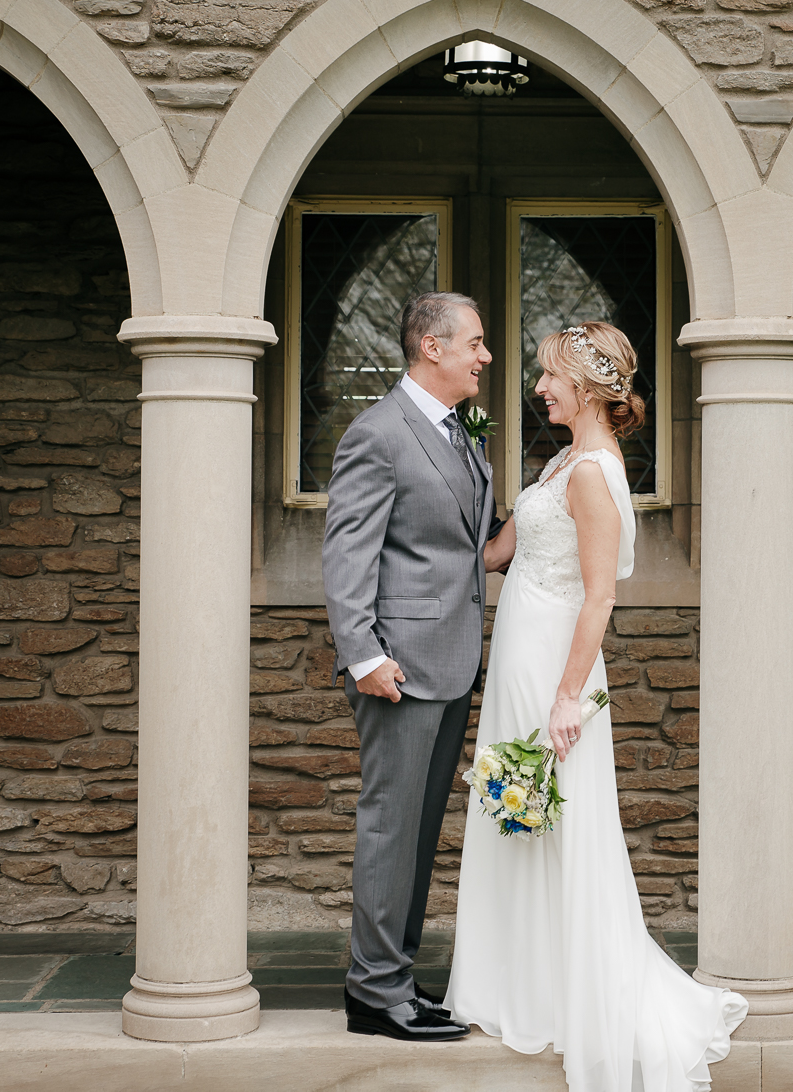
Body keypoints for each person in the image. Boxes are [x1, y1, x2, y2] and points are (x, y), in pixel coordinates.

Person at [446, 321, 747, 1091]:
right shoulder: (562, 464)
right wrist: (454, 468)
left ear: (584, 388)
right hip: (519, 659)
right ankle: (521, 981)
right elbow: (493, 554)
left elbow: (601, 595)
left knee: (562, 825)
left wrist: (568, 698)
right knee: (516, 819)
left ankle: (569, 992)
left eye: (549, 376)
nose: (539, 387)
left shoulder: (592, 474)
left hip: (555, 670)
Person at [322, 290, 495, 1042]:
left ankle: (395, 974)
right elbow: (347, 554)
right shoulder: (378, 433)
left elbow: (460, 546)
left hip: (452, 659)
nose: (486, 356)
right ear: (434, 347)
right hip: (399, 667)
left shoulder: (459, 432)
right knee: (392, 826)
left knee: (421, 830)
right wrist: (363, 655)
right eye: (477, 343)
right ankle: (372, 992)